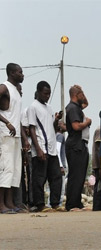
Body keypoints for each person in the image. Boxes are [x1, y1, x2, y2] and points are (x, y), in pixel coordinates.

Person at [28, 81, 63, 212]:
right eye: (45, 93)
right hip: (41, 147)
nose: (47, 96)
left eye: (49, 94)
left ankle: (55, 203)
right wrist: (37, 148)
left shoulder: (49, 107)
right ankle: (40, 204)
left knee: (56, 177)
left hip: (52, 148)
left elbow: (53, 128)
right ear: (38, 92)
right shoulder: (33, 107)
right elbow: (32, 128)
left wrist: (56, 120)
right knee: (39, 178)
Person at [0, 63, 29, 214]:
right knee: (6, 169)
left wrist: (25, 139)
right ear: (11, 73)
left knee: (16, 171)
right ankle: (1, 205)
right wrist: (7, 122)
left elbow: (18, 118)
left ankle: (10, 203)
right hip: (5, 134)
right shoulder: (3, 87)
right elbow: (10, 118)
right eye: (20, 72)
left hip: (16, 135)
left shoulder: (17, 91)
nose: (22, 74)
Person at [65, 85, 92, 211]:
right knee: (75, 175)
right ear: (76, 95)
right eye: (82, 93)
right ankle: (71, 204)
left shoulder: (77, 107)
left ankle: (77, 202)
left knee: (80, 175)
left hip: (81, 144)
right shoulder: (72, 108)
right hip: (75, 145)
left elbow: (86, 102)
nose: (84, 96)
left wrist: (81, 91)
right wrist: (87, 122)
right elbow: (76, 126)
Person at [92, 126, 101, 211]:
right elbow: (98, 149)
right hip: (99, 165)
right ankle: (97, 208)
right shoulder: (100, 130)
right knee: (99, 188)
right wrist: (100, 166)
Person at [56, 121, 67, 206]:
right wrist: (61, 165)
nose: (65, 125)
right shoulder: (60, 136)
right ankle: (58, 204)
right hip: (60, 165)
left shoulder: (56, 136)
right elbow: (57, 150)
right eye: (64, 124)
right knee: (61, 188)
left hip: (59, 165)